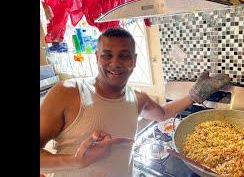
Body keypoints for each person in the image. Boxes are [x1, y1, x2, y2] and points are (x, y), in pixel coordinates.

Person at [40, 27, 230, 177]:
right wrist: (76, 161)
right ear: (97, 57)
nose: (115, 63)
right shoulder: (67, 92)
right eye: (107, 55)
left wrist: (194, 94)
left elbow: (162, 114)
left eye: (124, 55)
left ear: (134, 60)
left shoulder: (137, 98)